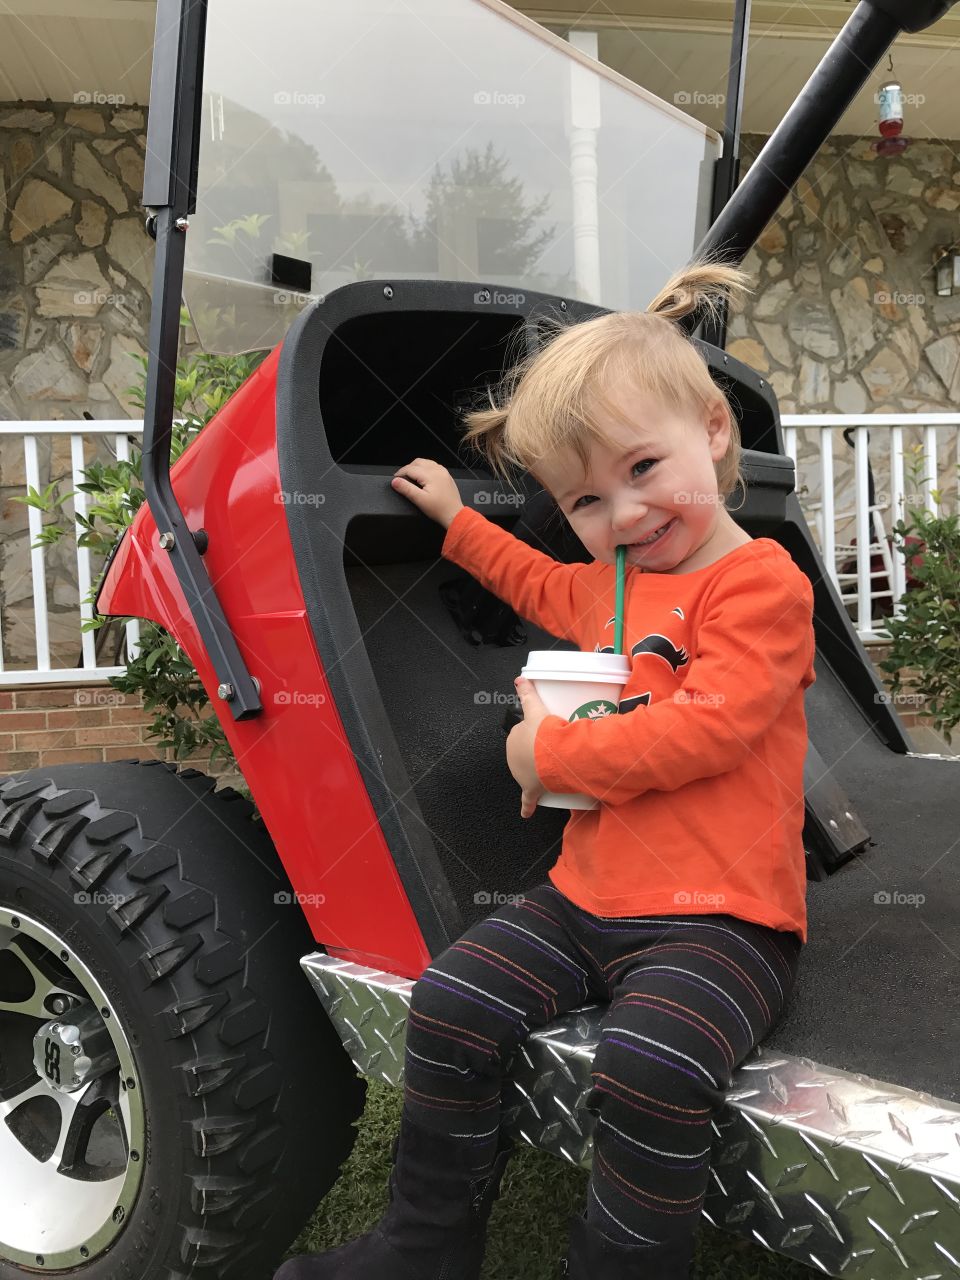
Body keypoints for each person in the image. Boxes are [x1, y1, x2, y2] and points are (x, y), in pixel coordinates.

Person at [274, 258, 816, 1280]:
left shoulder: (759, 584)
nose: (626, 514)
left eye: (643, 469)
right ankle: (423, 1244)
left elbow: (704, 727)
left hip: (724, 915)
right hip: (585, 897)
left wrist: (539, 750)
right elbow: (537, 578)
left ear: (713, 429)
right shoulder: (617, 584)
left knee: (654, 1062)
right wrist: (455, 521)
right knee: (451, 1001)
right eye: (587, 498)